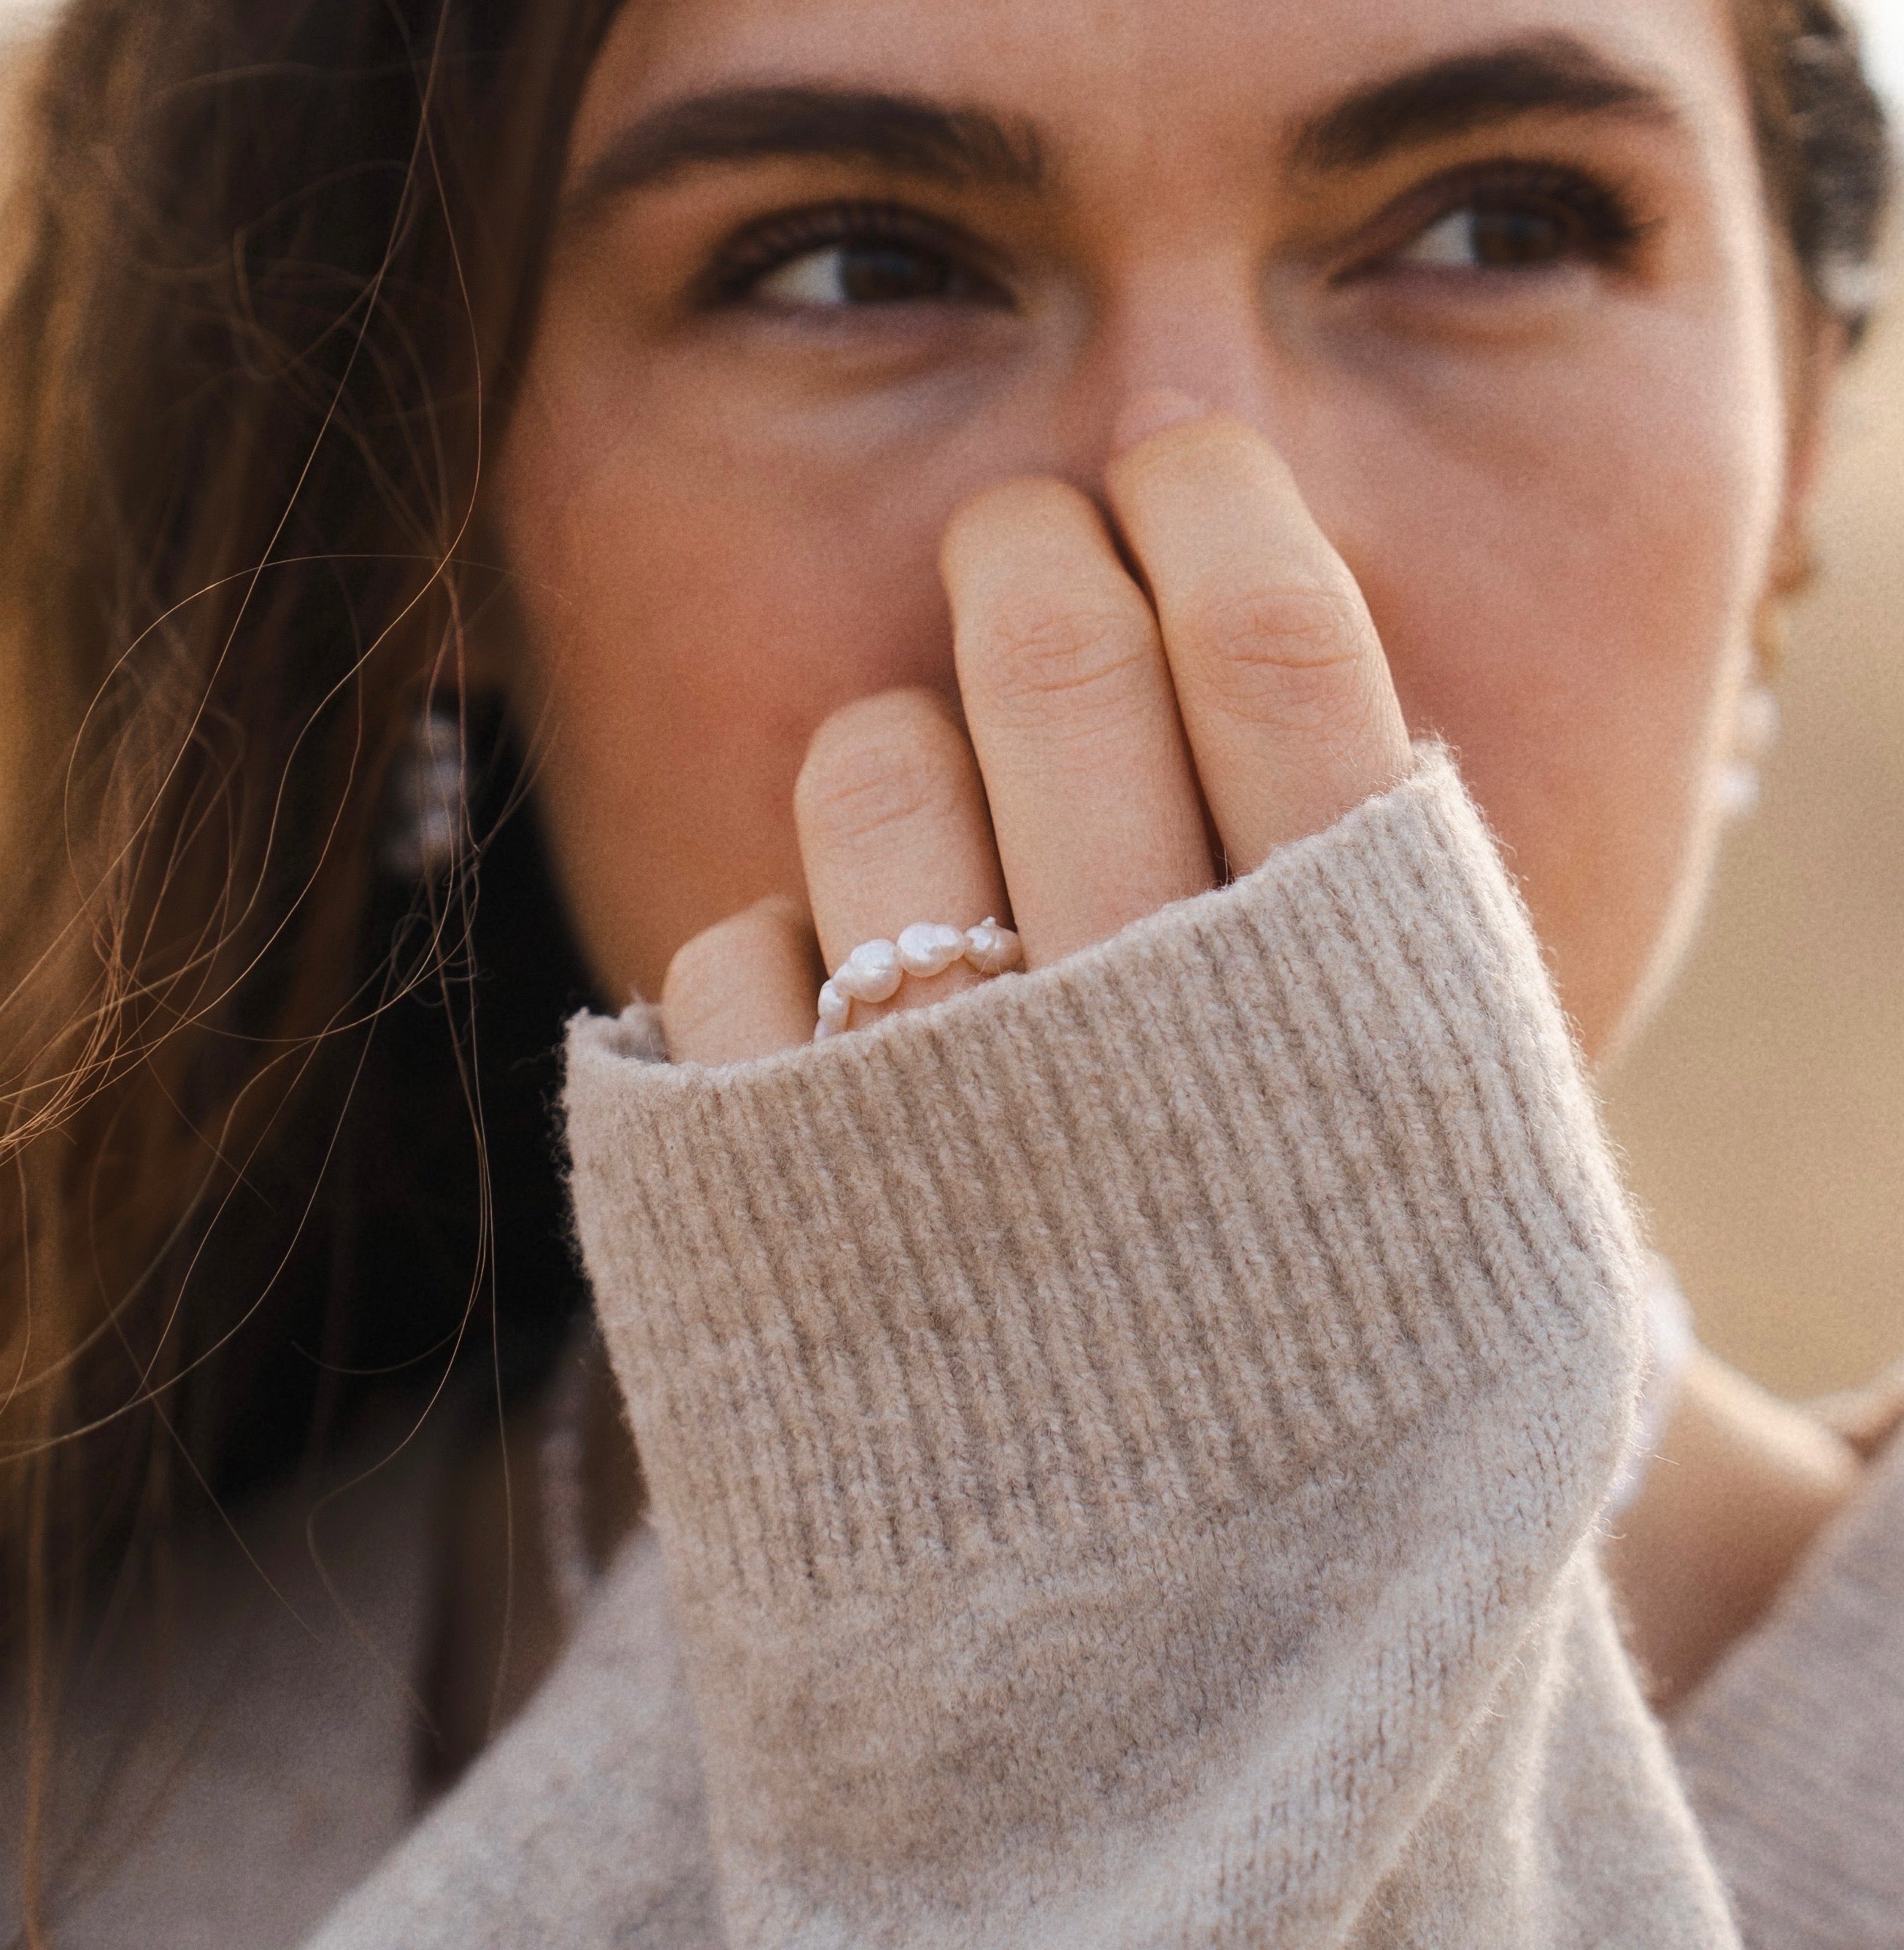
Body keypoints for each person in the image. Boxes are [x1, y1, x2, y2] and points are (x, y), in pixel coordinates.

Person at [0, 0, 1898, 1942]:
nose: (1228, 560)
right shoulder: (72, 1774)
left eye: (1501, 228)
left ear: (1794, 455)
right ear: (425, 520)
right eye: (852, 266)